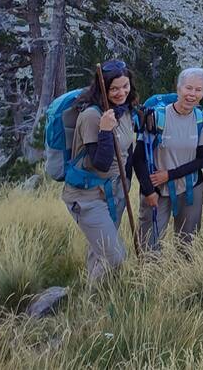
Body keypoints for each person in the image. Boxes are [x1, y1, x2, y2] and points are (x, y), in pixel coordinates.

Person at [62, 58, 138, 282]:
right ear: (102, 87)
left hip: (114, 193)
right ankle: (94, 297)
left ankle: (94, 301)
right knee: (115, 257)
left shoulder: (124, 111)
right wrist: (105, 130)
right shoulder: (92, 116)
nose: (120, 92)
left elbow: (127, 152)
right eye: (113, 88)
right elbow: (101, 164)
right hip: (88, 196)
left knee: (100, 251)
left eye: (125, 86)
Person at [135, 67, 203, 249]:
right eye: (188, 88)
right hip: (156, 190)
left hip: (190, 187)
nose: (192, 94)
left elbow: (202, 159)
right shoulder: (156, 118)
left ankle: (186, 277)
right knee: (149, 244)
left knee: (188, 244)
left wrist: (169, 175)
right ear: (178, 89)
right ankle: (149, 277)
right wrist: (148, 190)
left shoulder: (202, 121)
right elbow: (138, 158)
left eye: (198, 90)